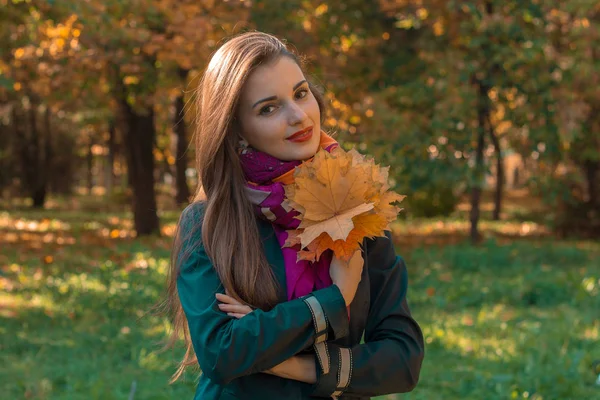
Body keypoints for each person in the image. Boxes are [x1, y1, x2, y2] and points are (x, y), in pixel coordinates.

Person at [164, 31, 424, 400]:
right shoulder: (209, 222)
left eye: (300, 94)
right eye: (268, 108)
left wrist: (288, 362)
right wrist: (333, 299)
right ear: (236, 129)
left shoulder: (359, 209)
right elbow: (221, 354)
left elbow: (403, 360)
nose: (298, 116)